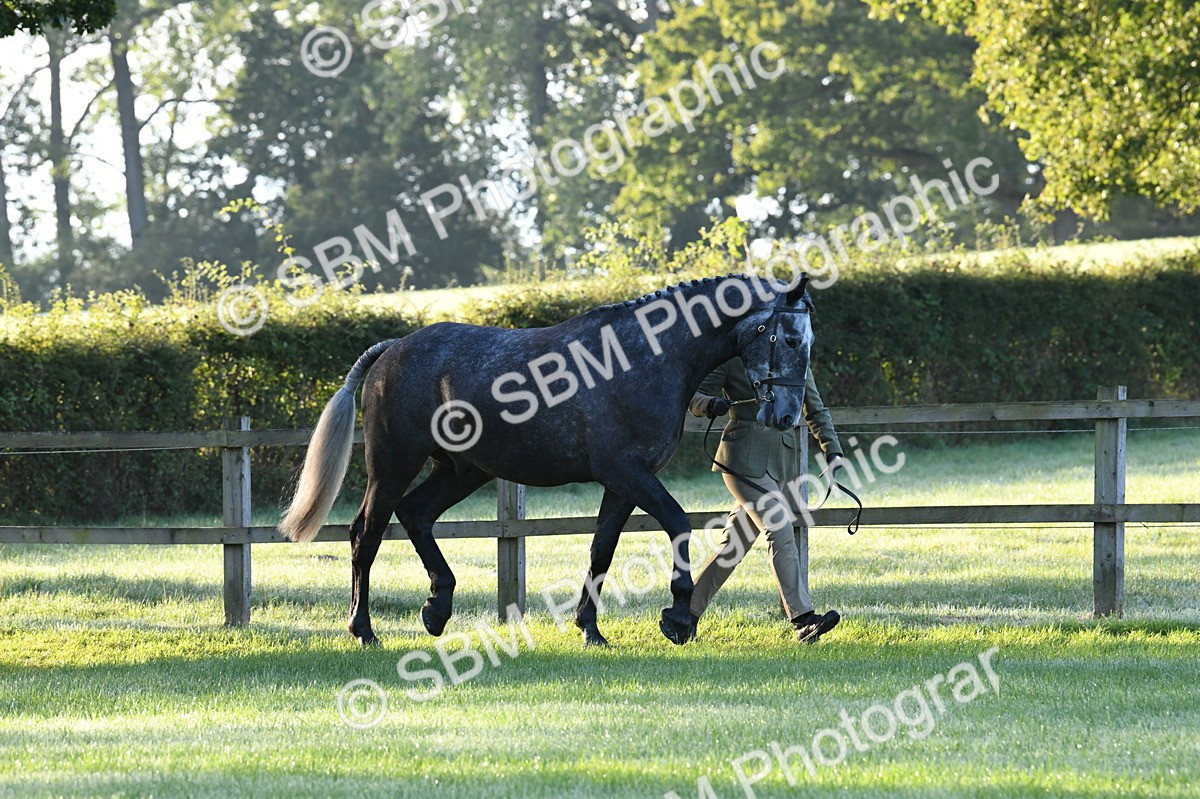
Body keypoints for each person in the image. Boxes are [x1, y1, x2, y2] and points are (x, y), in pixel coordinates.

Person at [688, 359, 844, 643]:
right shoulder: (735, 354)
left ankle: (685, 614)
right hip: (741, 459)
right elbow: (694, 396)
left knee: (733, 546)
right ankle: (803, 620)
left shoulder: (797, 356)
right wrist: (710, 404)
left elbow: (815, 407)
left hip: (780, 466)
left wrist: (832, 448)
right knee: (779, 528)